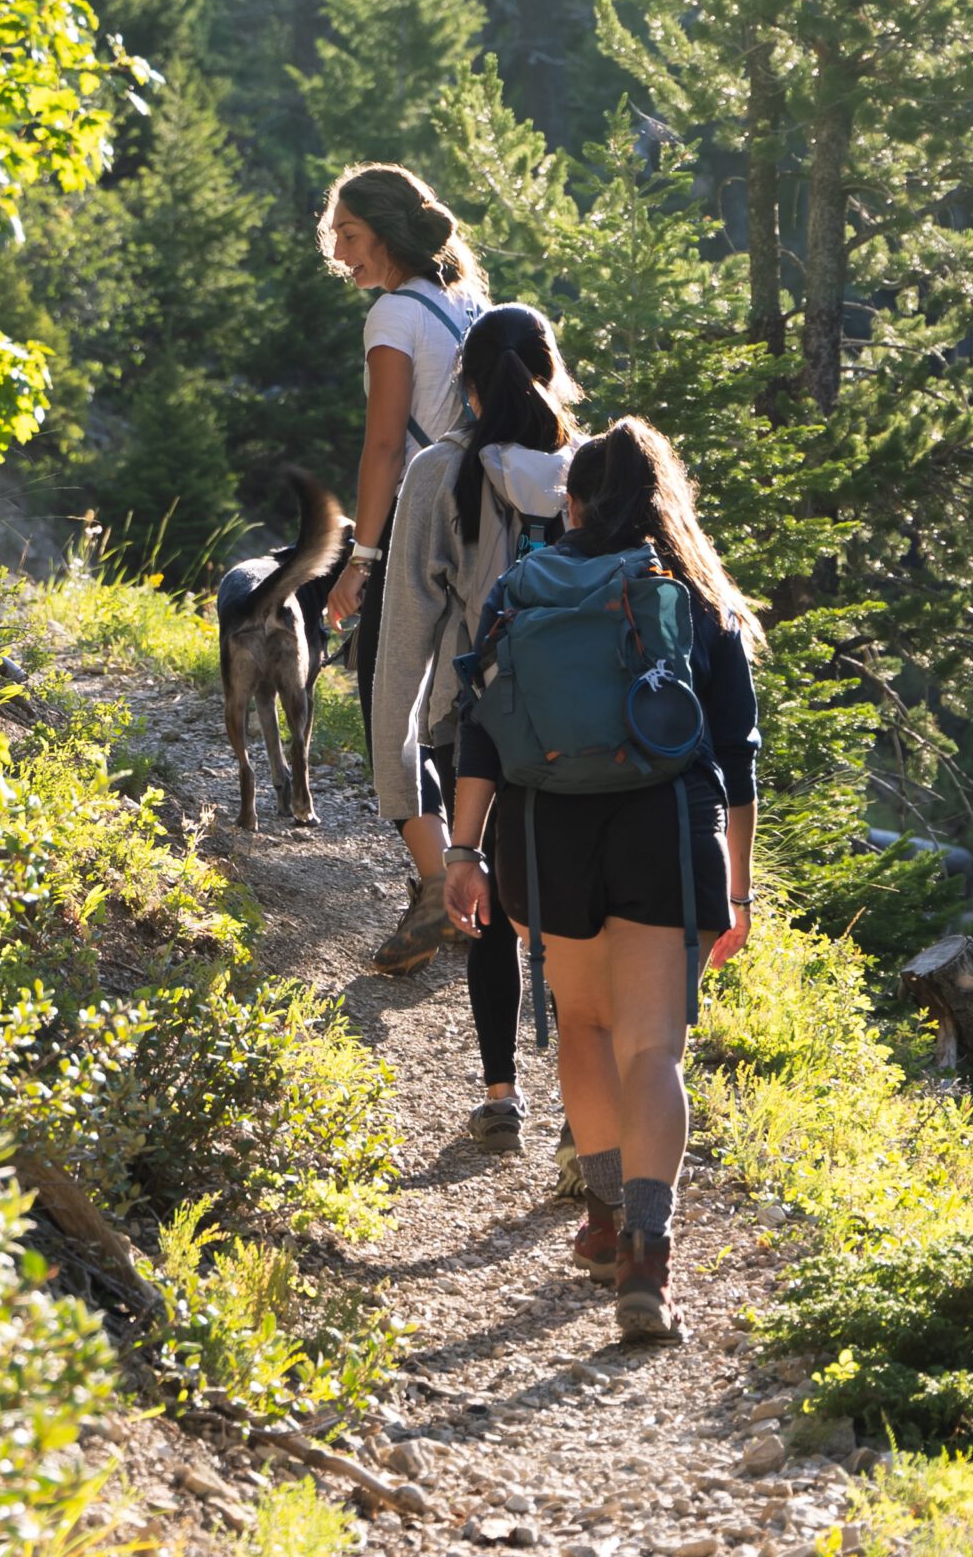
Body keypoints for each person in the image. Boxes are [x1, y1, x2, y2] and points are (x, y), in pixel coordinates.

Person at [441, 418, 760, 1342]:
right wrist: (736, 892)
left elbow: (481, 729)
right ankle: (649, 1262)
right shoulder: (694, 595)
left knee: (580, 1024)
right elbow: (736, 760)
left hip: (548, 833)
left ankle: (605, 1217)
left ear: (571, 500)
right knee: (652, 1047)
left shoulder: (521, 586)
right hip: (664, 826)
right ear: (666, 500)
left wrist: (464, 854)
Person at [370, 302, 579, 1150]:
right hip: (577, 728)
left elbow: (408, 635)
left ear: (463, 381)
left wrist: (397, 765)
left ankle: (501, 1095)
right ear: (552, 369)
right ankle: (582, 1110)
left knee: (483, 898)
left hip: (475, 729)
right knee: (570, 910)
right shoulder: (586, 471)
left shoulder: (440, 473)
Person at [317, 163, 488, 972]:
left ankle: (435, 891)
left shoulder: (391, 316)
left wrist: (362, 560)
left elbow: (385, 446)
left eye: (348, 236)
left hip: (417, 532)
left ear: (383, 233)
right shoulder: (467, 306)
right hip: (482, 532)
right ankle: (473, 882)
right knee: (456, 714)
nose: (340, 252)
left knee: (394, 714)